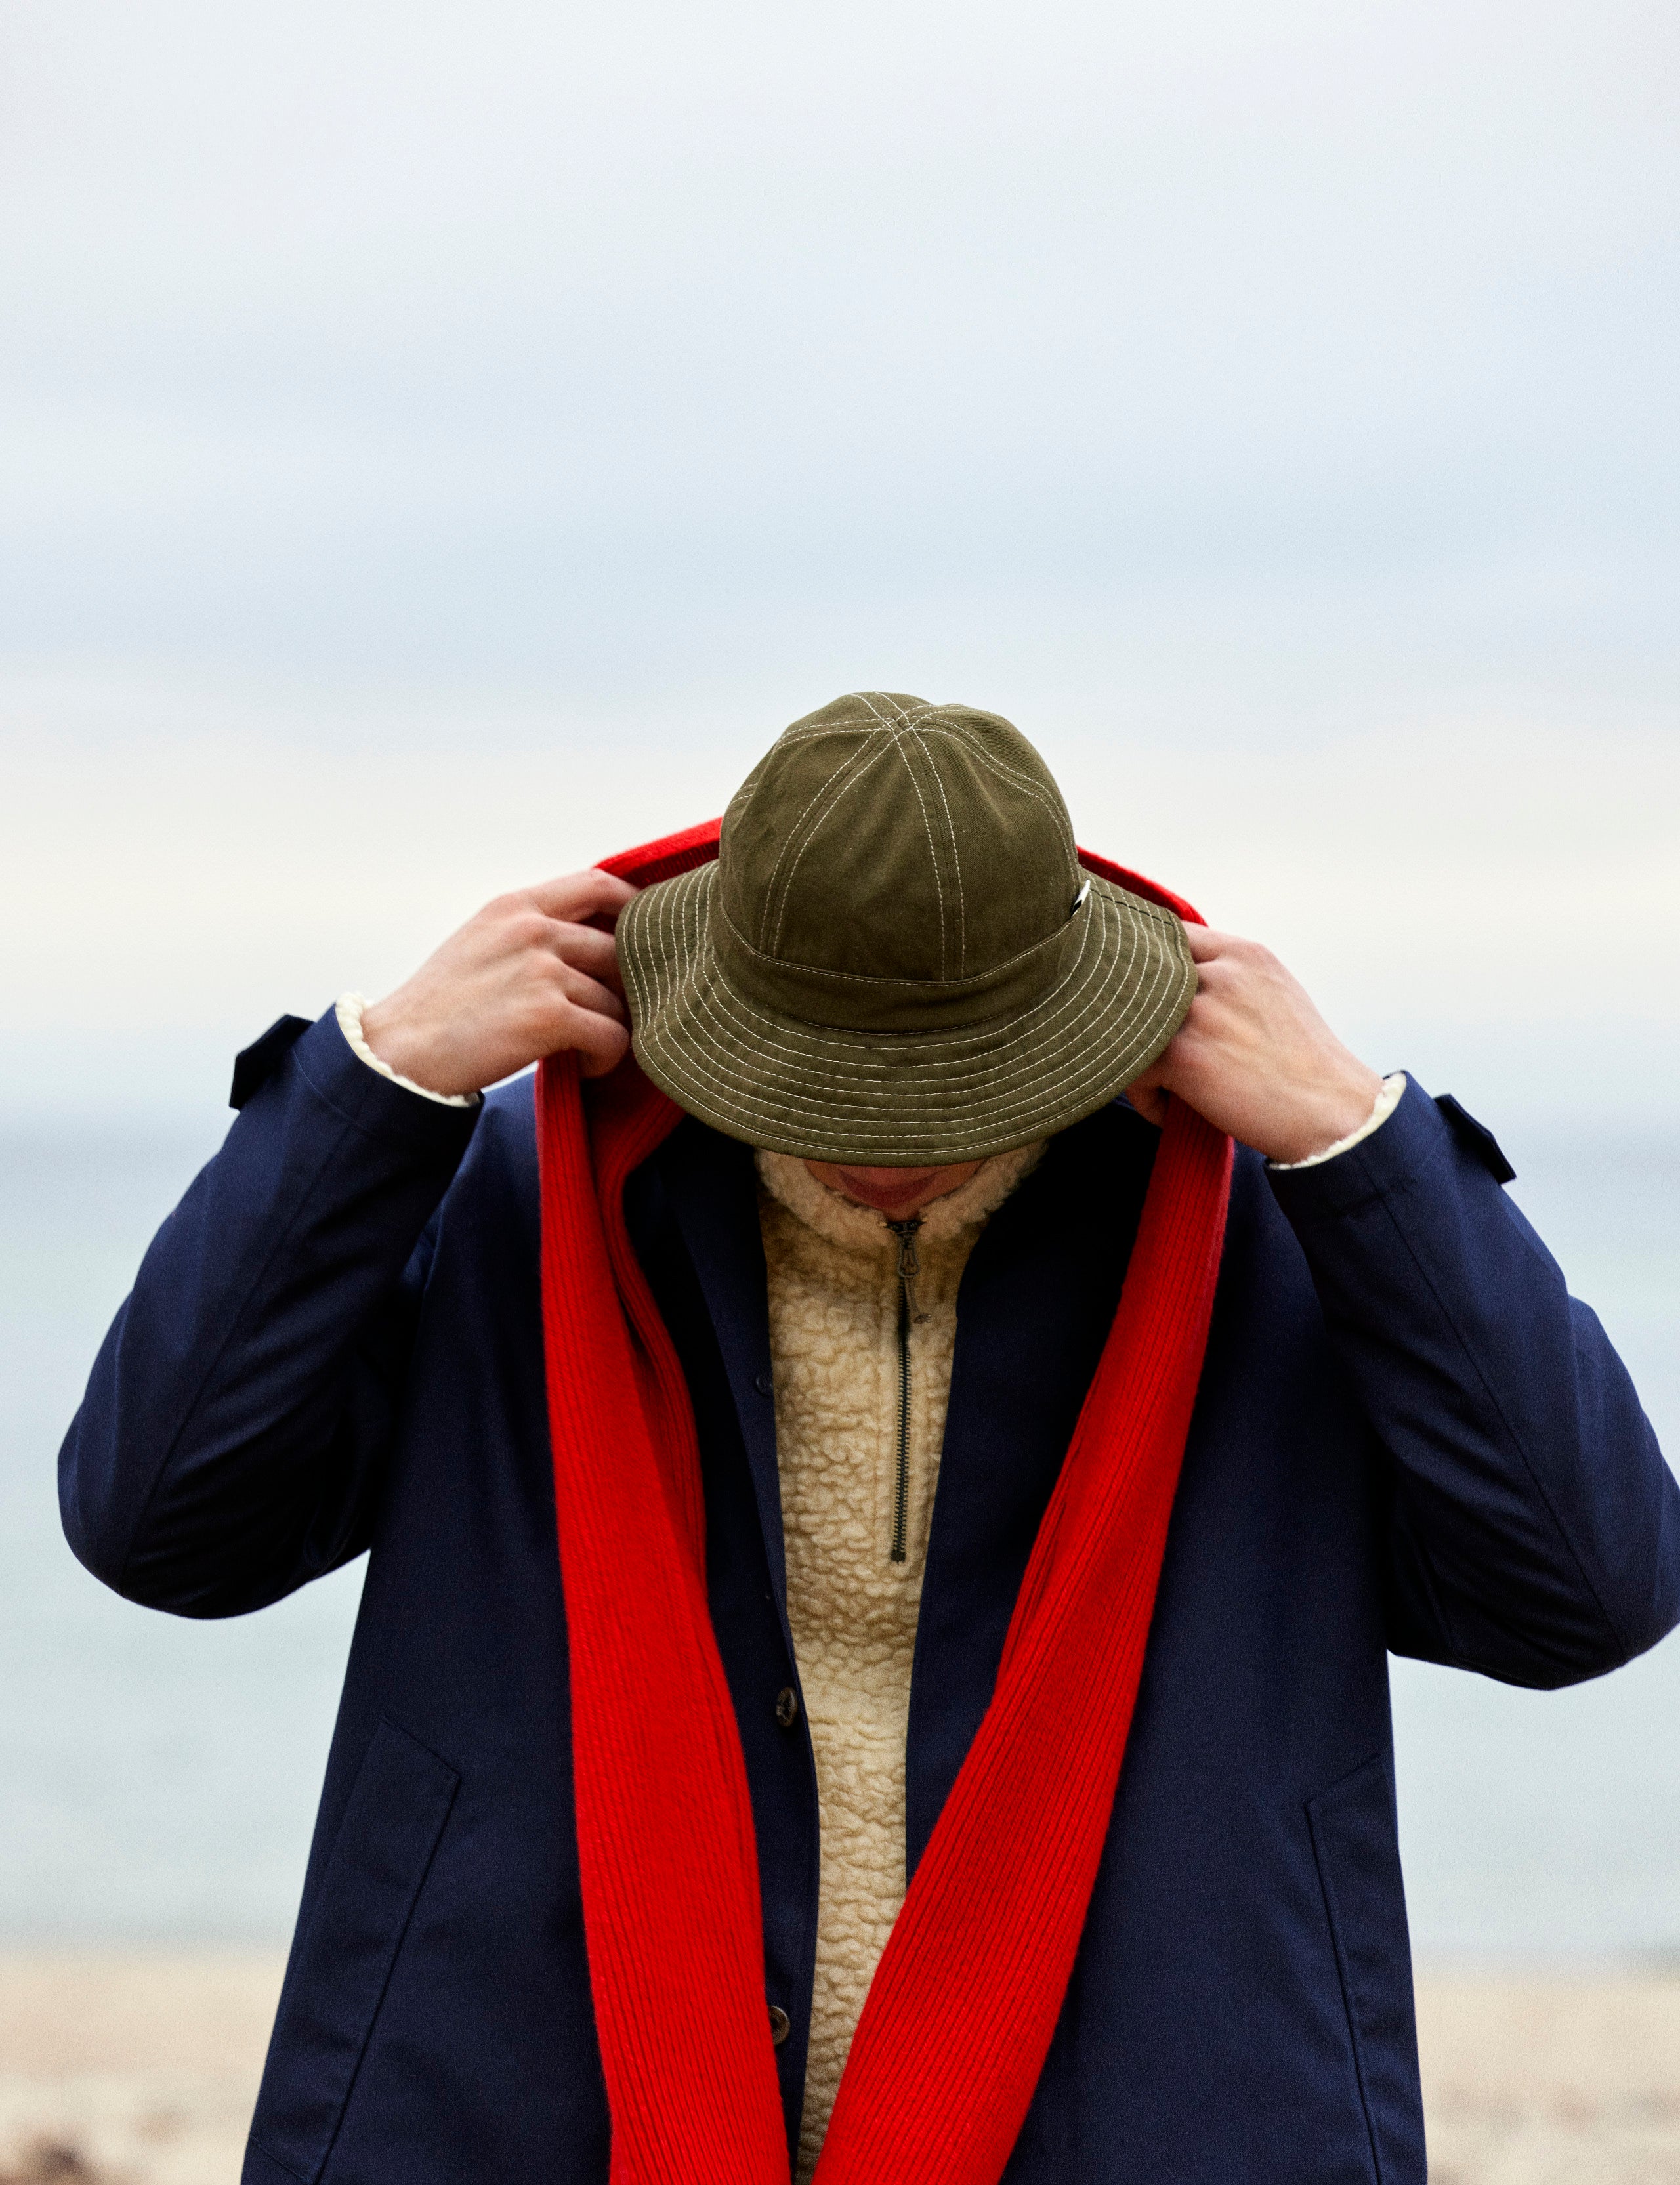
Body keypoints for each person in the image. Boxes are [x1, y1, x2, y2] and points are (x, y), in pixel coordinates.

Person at [60, 693, 1678, 2185]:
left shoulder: (1263, 1237)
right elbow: (160, 1523)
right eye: (827, 1088)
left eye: (948, 1091)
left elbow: (1585, 1591)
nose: (885, 1151)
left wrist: (1364, 1151)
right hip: (537, 2107)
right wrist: (367, 1089)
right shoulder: (510, 1200)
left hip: (1147, 2119)